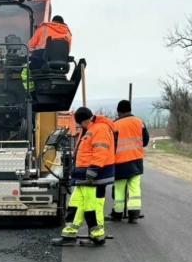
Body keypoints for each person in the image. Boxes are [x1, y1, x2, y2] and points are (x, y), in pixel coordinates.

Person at [52, 107, 115, 246]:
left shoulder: (100, 129)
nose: (81, 126)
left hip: (93, 177)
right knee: (75, 204)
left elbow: (100, 152)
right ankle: (69, 234)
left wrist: (92, 171)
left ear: (85, 120)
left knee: (92, 207)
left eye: (80, 124)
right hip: (83, 176)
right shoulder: (90, 129)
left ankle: (97, 236)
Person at [110, 100, 150, 224]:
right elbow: (145, 141)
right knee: (134, 189)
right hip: (136, 161)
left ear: (119, 111)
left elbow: (111, 145)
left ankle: (117, 214)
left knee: (119, 190)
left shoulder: (115, 125)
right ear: (130, 109)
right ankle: (134, 215)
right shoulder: (140, 122)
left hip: (120, 163)